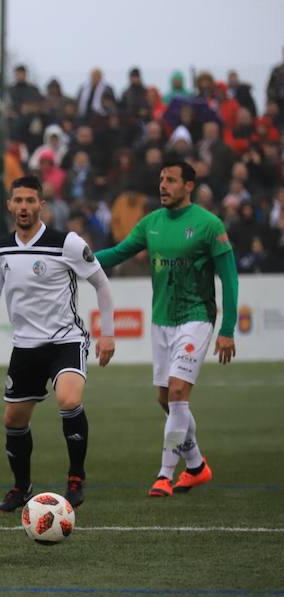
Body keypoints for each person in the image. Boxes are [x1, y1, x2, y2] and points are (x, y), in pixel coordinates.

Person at [0, 175, 117, 512]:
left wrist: (107, 333)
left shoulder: (68, 243)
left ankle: (75, 479)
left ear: (41, 205)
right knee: (13, 421)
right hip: (25, 348)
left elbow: (102, 284)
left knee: (68, 399)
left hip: (66, 339)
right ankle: (21, 488)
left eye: (30, 201)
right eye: (17, 200)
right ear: (9, 204)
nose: (23, 207)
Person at [95, 160, 238, 497]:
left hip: (196, 317)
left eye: (171, 180)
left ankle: (164, 475)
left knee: (176, 394)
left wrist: (227, 328)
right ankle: (197, 466)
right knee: (167, 399)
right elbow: (117, 254)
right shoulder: (151, 223)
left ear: (189, 186)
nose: (163, 186)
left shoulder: (208, 225)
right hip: (162, 321)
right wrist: (73, 258)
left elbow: (229, 278)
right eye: (161, 179)